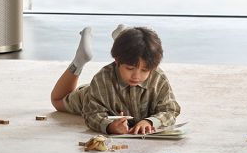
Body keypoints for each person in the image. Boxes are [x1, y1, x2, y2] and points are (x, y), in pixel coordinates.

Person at [50, 25, 179, 134]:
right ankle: (79, 61)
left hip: (116, 78)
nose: (136, 76)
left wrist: (150, 121)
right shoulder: (102, 80)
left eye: (144, 70)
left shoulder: (158, 78)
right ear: (116, 60)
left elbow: (170, 109)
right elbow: (92, 114)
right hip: (93, 94)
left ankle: (122, 37)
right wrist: (110, 126)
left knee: (133, 56)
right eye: (129, 68)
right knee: (57, 101)